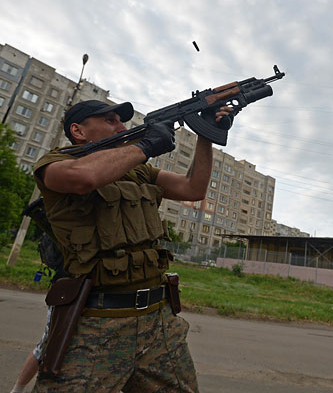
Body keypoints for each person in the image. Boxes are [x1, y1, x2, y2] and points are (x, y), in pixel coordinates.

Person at [31, 99, 231, 392]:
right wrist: (145, 146)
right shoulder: (55, 163)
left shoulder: (139, 171)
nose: (122, 127)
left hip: (158, 321)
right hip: (97, 323)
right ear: (78, 131)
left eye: (121, 121)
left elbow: (193, 188)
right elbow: (84, 177)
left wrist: (206, 135)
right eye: (110, 120)